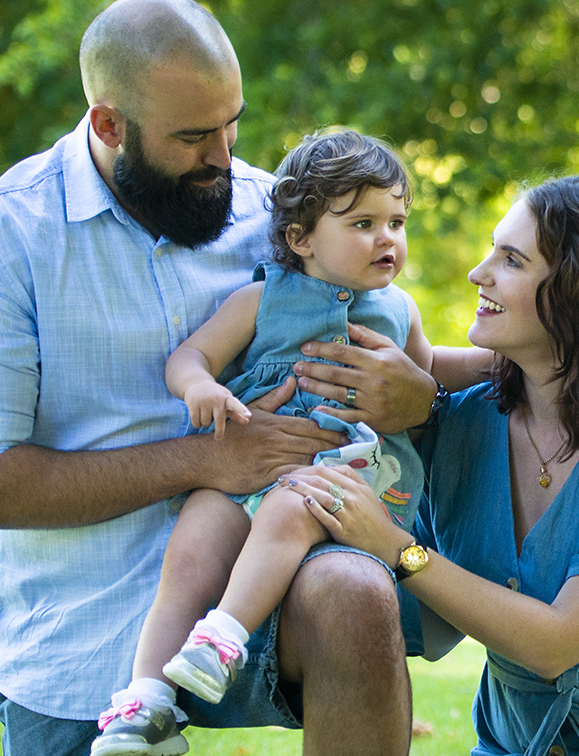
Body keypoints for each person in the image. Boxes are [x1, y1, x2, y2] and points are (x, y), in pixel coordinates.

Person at [0, 0, 443, 756]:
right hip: (78, 639)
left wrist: (420, 391)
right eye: (195, 136)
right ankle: (143, 700)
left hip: (263, 587)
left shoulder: (283, 215)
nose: (225, 158)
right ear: (109, 124)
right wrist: (205, 459)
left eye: (233, 124)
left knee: (355, 592)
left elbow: (383, 339)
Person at [284, 175, 579, 756]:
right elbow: (394, 613)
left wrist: (395, 547)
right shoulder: (461, 423)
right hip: (517, 743)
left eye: (511, 260)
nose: (479, 272)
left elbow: (555, 642)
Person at [93, 129, 482, 755]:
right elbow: (191, 356)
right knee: (190, 554)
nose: (387, 238)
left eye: (396, 221)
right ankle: (146, 703)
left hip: (349, 477)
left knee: (291, 505)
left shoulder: (400, 311)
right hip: (246, 464)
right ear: (299, 238)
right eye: (362, 223)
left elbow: (426, 379)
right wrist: (201, 387)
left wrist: (499, 366)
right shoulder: (262, 297)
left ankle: (224, 638)